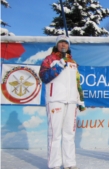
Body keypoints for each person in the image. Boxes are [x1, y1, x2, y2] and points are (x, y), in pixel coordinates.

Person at [39, 35, 86, 169]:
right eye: (61, 43)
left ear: (69, 46)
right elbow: (44, 77)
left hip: (71, 101)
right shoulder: (49, 59)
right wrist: (59, 65)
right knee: (55, 134)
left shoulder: (73, 62)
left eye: (65, 43)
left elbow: (77, 82)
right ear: (57, 45)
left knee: (69, 134)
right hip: (55, 100)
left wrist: (79, 99)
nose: (63, 45)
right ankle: (54, 164)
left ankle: (69, 163)